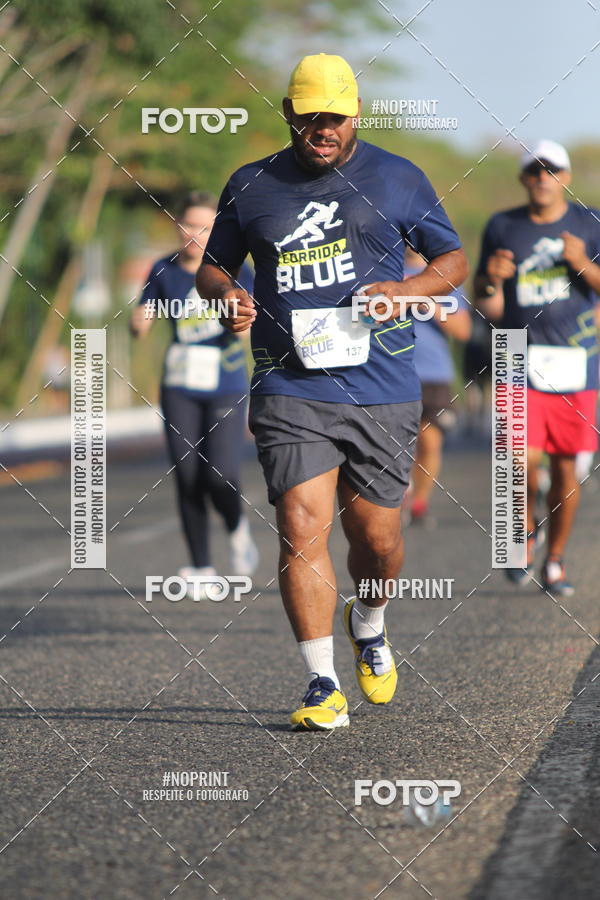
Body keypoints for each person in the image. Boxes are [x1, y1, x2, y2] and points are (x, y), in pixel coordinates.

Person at [197, 53, 468, 730]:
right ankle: (321, 684)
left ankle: (369, 621)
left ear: (355, 114)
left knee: (377, 540)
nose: (322, 128)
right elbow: (211, 269)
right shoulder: (251, 184)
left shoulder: (398, 177)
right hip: (289, 385)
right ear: (288, 112)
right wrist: (228, 294)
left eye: (335, 117)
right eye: (309, 115)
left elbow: (452, 261)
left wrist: (405, 292)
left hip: (381, 386)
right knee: (299, 527)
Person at [474, 140, 600, 595]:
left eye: (552, 170)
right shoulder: (503, 225)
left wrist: (581, 262)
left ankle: (557, 560)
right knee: (517, 462)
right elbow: (481, 290)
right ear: (524, 178)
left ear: (565, 177)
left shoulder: (590, 223)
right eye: (534, 170)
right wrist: (492, 276)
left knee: (566, 470)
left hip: (575, 359)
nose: (543, 178)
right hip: (513, 353)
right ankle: (524, 530)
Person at [130, 190, 259, 594]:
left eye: (206, 227)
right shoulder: (163, 269)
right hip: (179, 384)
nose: (196, 234)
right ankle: (201, 566)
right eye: (189, 225)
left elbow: (253, 323)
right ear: (178, 227)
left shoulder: (234, 269)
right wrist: (138, 321)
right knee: (187, 476)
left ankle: (237, 528)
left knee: (219, 475)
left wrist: (241, 318)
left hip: (225, 383)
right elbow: (143, 319)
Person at [403, 247, 471, 526]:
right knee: (393, 443)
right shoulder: (383, 270)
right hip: (392, 372)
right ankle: (396, 499)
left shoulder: (445, 275)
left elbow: (464, 330)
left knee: (429, 442)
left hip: (434, 374)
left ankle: (419, 501)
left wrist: (429, 305)